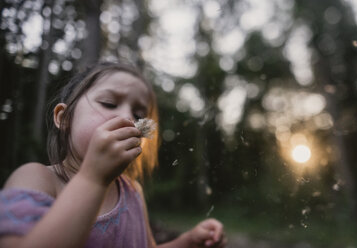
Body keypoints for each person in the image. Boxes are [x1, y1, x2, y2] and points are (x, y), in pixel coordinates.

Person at [0, 62, 227, 248]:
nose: (128, 119)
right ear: (64, 117)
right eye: (109, 104)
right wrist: (92, 178)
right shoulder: (36, 179)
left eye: (139, 115)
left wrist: (187, 242)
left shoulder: (132, 193)